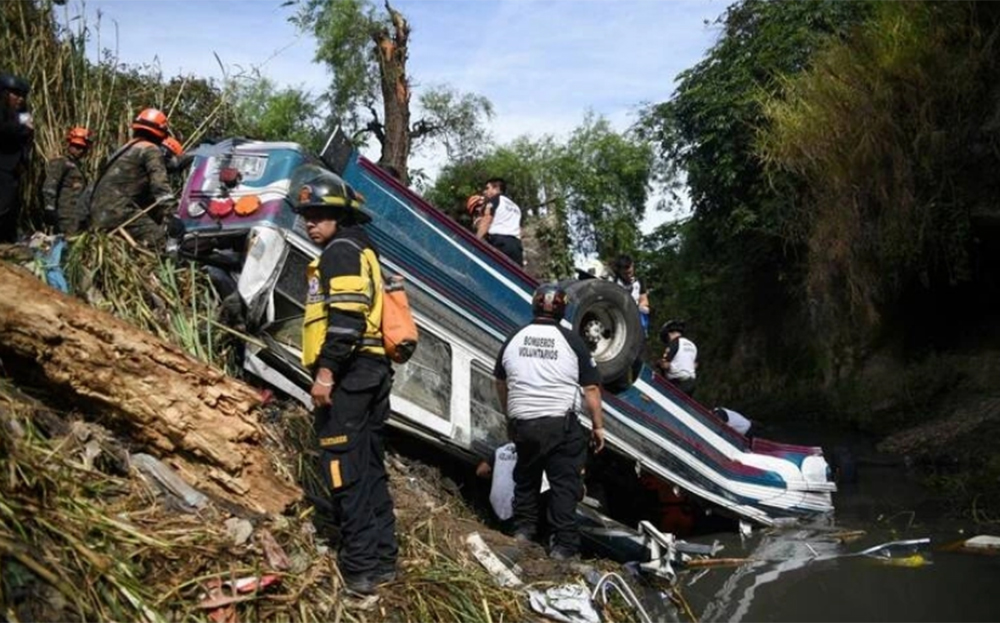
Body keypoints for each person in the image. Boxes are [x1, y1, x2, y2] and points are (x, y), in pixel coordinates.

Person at [294, 165, 397, 597]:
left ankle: (359, 572)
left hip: (350, 374)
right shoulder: (364, 249)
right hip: (372, 372)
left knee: (344, 471)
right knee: (370, 467)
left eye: (318, 214)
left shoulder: (340, 251)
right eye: (306, 216)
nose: (309, 222)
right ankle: (384, 560)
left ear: (339, 215)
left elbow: (346, 321)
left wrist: (325, 374)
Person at [494, 283, 605, 560]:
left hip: (524, 424)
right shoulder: (572, 341)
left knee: (526, 478)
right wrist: (598, 426)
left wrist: (511, 415)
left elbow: (500, 380)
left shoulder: (514, 338)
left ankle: (523, 532)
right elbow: (591, 389)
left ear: (534, 305)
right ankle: (563, 546)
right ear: (563, 309)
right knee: (564, 484)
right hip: (560, 425)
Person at [89, 107, 176, 249]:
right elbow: (160, 187)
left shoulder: (124, 148)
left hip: (96, 212)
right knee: (160, 241)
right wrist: (173, 214)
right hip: (118, 211)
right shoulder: (150, 149)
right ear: (160, 134)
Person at [0, 73, 33, 243]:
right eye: (15, 94)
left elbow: (26, 140)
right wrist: (23, 128)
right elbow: (5, 130)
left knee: (10, 207)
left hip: (13, 171)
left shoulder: (21, 115)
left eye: (22, 95)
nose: (20, 99)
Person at [42, 127, 93, 235]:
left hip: (77, 214)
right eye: (76, 146)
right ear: (69, 145)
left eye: (82, 147)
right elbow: (50, 186)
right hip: (65, 215)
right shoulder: (61, 163)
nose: (79, 150)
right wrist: (49, 208)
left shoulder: (79, 167)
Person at [475, 177, 523, 266]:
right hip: (516, 246)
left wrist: (476, 240)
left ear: (496, 188)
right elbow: (520, 230)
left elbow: (487, 219)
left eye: (487, 188)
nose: (485, 192)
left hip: (500, 244)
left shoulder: (495, 200)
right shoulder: (516, 207)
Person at [656, 319, 698, 397]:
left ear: (668, 334)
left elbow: (665, 364)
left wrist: (658, 363)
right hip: (690, 384)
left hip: (677, 383)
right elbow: (695, 365)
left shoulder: (674, 343)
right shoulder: (692, 345)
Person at [611, 254, 650, 334]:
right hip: (619, 315)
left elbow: (644, 300)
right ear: (619, 271)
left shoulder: (639, 281)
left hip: (635, 314)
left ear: (633, 266)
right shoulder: (614, 282)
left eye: (630, 272)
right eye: (625, 274)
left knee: (644, 313)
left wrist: (641, 306)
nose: (628, 275)